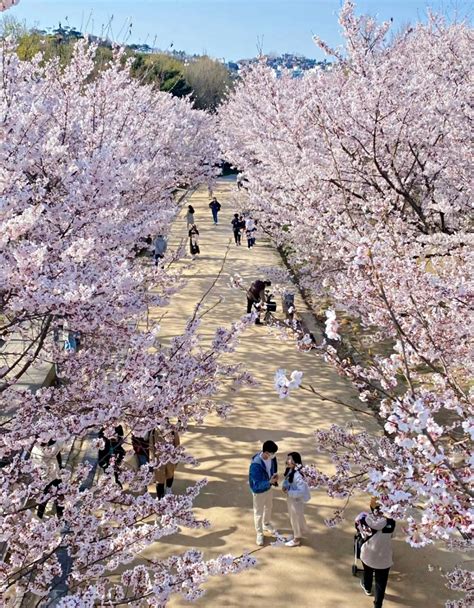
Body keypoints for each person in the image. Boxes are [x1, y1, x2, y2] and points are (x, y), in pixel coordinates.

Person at [359, 497, 396, 608]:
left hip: (368, 554)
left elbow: (362, 535)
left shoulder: (365, 520)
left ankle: (367, 588)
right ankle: (378, 604)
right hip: (384, 558)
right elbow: (394, 535)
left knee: (368, 571)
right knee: (381, 582)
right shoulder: (391, 522)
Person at [249, 440, 279, 546]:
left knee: (269, 507)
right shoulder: (255, 465)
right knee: (258, 513)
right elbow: (256, 484)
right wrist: (269, 482)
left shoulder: (272, 457)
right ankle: (259, 533)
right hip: (259, 491)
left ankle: (266, 524)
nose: (274, 456)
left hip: (269, 488)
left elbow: (274, 465)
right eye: (272, 454)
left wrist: (275, 475)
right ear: (266, 452)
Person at [30, 439, 64, 519]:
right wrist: (60, 467)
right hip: (55, 474)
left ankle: (39, 516)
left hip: (44, 477)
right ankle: (61, 515)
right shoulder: (55, 447)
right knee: (59, 494)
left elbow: (34, 465)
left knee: (43, 499)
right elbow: (58, 455)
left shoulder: (35, 449)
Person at [282, 452, 310, 547]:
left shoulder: (298, 475)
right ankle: (296, 533)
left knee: (296, 518)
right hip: (291, 498)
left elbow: (301, 491)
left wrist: (289, 492)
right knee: (294, 517)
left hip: (296, 500)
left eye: (290, 459)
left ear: (295, 461)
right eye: (288, 458)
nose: (288, 461)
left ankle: (297, 538)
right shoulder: (290, 470)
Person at [150, 427, 180, 499]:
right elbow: (151, 445)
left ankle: (168, 488)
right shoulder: (154, 431)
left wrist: (176, 456)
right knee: (159, 478)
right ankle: (160, 496)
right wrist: (152, 457)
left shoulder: (172, 430)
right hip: (159, 460)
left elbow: (177, 444)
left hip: (170, 459)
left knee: (170, 474)